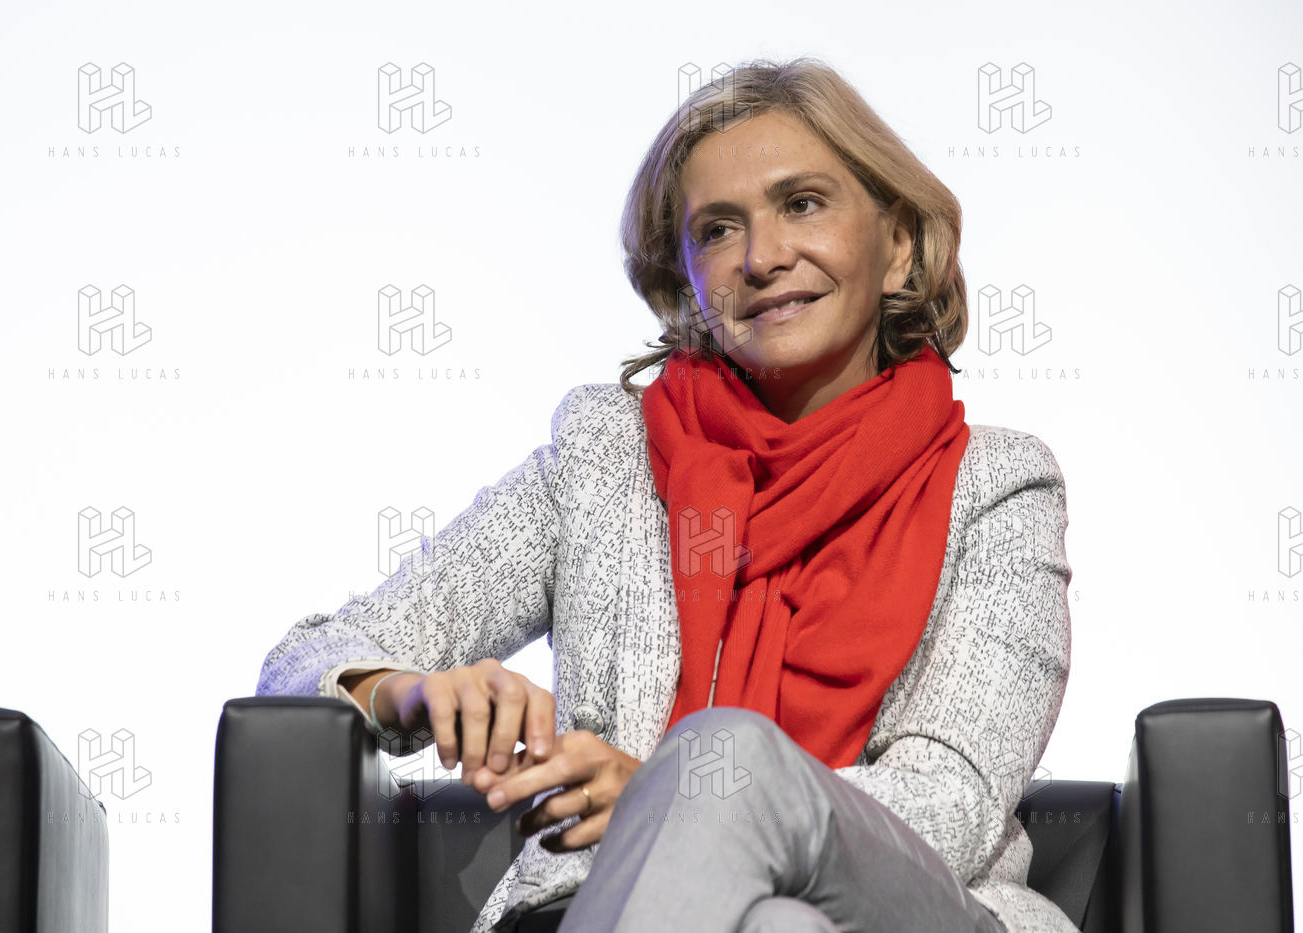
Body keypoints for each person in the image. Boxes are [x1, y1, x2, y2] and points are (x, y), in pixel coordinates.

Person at [257, 56, 1076, 933]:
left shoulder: (1000, 486)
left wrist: (671, 797)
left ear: (899, 246)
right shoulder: (604, 458)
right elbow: (302, 661)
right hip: (612, 904)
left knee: (731, 773)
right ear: (687, 281)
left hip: (912, 913)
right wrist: (409, 691)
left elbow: (949, 802)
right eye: (719, 229)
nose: (763, 257)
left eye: (803, 204)